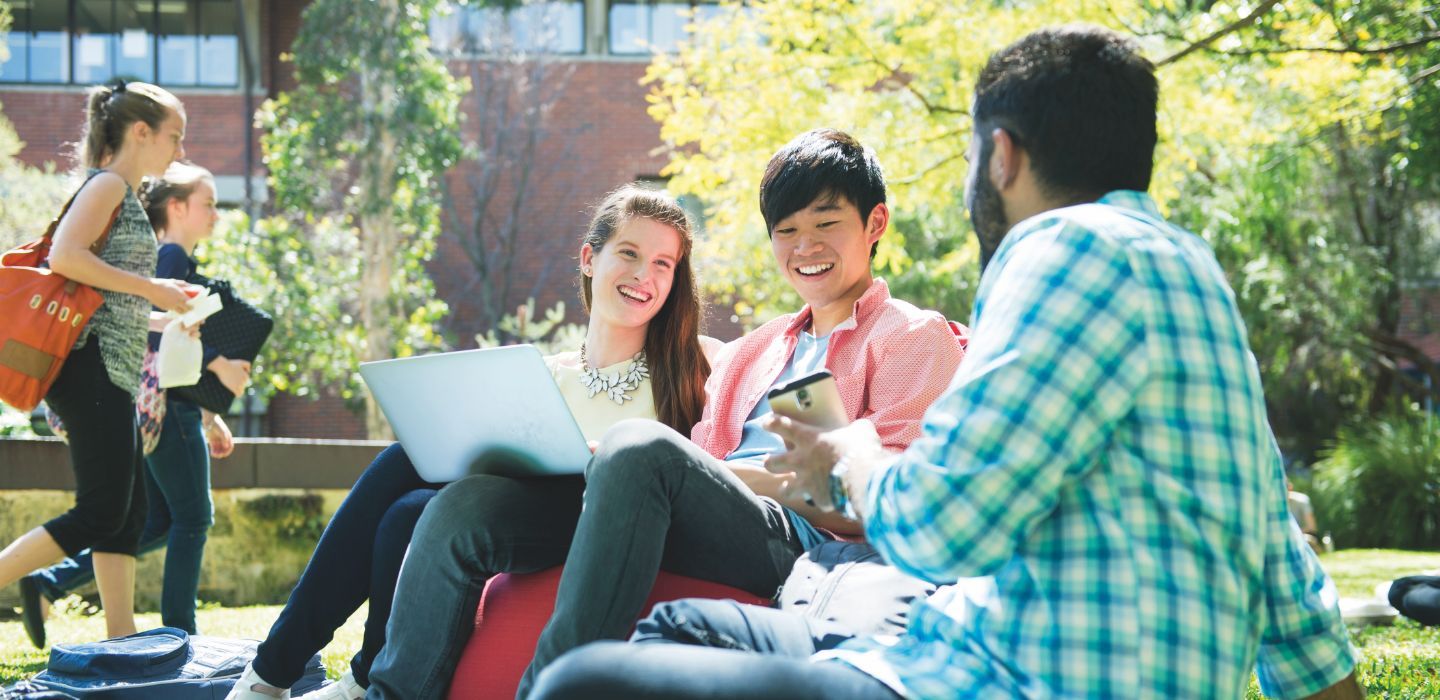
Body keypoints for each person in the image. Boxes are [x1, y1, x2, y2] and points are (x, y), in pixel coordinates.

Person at [527, 25, 1362, 700]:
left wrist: (848, 453)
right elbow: (1291, 590)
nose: (804, 247)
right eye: (788, 230)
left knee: (585, 681)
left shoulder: (1054, 254)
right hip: (949, 636)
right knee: (677, 633)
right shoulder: (1197, 278)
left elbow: (939, 527)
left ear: (1001, 155)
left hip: (969, 671)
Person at [363, 128, 966, 699]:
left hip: (801, 540)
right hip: (695, 514)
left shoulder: (909, 335)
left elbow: (894, 498)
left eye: (827, 224)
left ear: (875, 223)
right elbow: (702, 459)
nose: (804, 247)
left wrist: (726, 474)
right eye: (787, 230)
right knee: (468, 505)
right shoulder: (755, 349)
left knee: (638, 446)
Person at [227, 185, 714, 700]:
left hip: (599, 518)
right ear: (590, 259)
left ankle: (289, 675)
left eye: (664, 264)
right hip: (508, 509)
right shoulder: (539, 374)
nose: (645, 276)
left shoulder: (696, 364)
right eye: (630, 254)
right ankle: (282, 677)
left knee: (413, 486)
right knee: (405, 490)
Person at [17, 162, 249, 648]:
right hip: (144, 402)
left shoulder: (163, 255)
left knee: (140, 516)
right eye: (207, 204)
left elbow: (151, 326)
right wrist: (215, 371)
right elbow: (139, 327)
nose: (215, 214)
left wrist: (210, 406)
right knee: (176, 516)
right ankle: (180, 632)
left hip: (140, 401)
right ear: (177, 207)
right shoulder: (163, 255)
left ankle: (107, 627)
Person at [0, 80, 198, 642]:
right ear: (140, 132)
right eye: (173, 137)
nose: (179, 152)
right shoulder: (108, 184)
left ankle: (121, 638)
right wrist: (152, 286)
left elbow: (109, 299)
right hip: (89, 368)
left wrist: (165, 311)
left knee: (128, 514)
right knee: (101, 510)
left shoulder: (125, 195)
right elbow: (66, 255)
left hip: (109, 368)